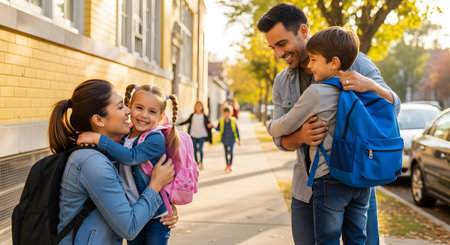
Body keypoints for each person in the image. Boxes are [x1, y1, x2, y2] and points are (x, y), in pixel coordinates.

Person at [257, 3, 401, 245]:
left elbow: (394, 108)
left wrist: (371, 86)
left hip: (357, 179)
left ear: (303, 31)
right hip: (306, 186)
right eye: (272, 47)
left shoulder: (356, 63)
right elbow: (279, 138)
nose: (278, 54)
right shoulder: (282, 81)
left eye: (281, 44)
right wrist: (300, 137)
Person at [267, 26, 369, 244]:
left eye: (314, 60)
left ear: (333, 62)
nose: (310, 65)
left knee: (326, 240)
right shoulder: (361, 89)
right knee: (357, 239)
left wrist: (269, 126)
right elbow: (390, 107)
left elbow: (282, 125)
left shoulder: (317, 92)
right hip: (361, 180)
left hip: (328, 178)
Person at [49, 79, 176, 244]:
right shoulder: (93, 163)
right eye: (121, 106)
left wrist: (164, 205)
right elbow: (129, 228)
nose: (128, 111)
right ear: (99, 120)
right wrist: (155, 186)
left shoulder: (110, 150)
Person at [178, 101, 214, 170]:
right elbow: (186, 121)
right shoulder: (192, 115)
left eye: (200, 106)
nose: (198, 107)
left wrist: (210, 125)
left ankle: (201, 162)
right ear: (195, 107)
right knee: (194, 149)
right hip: (193, 134)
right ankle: (196, 163)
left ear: (202, 107)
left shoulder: (204, 116)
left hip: (202, 134)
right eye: (197, 106)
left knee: (200, 149)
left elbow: (208, 123)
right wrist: (177, 124)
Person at [215, 106, 240, 173]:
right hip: (224, 139)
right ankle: (227, 165)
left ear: (231, 113)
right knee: (226, 152)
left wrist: (239, 140)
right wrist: (212, 126)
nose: (227, 114)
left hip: (232, 139)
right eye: (226, 113)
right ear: (223, 113)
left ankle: (230, 165)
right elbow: (218, 128)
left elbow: (237, 130)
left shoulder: (233, 120)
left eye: (228, 113)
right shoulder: (221, 121)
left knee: (231, 152)